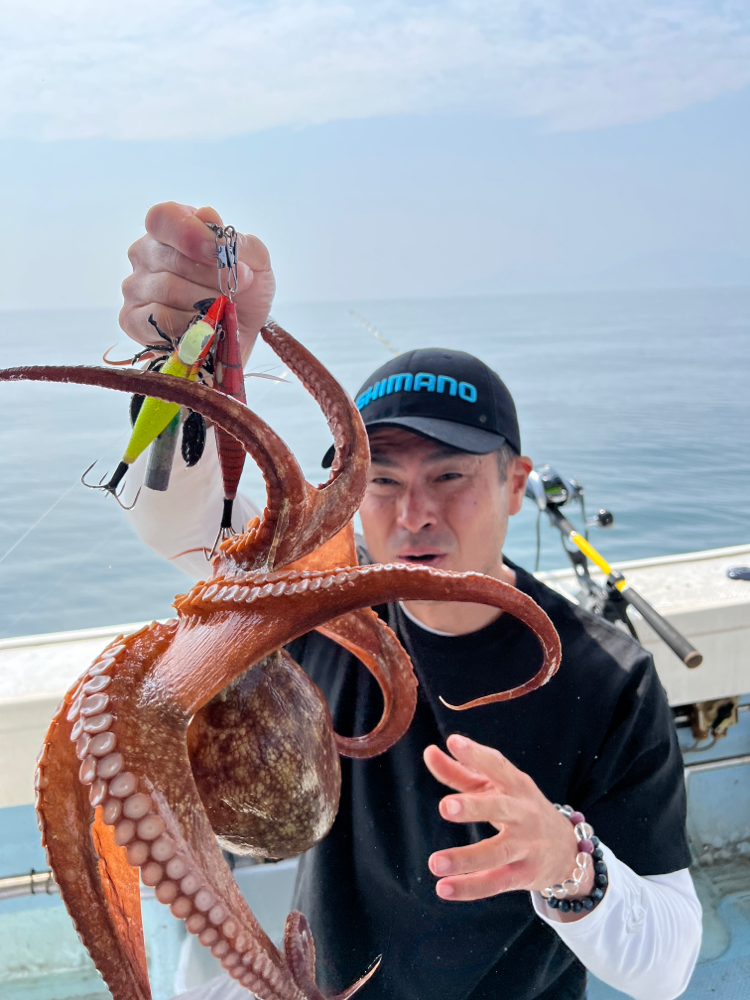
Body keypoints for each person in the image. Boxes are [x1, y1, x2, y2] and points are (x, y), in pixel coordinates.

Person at [119, 203, 702, 1000]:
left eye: (450, 476)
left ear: (518, 485)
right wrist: (187, 364)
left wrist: (570, 863)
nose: (413, 512)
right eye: (381, 481)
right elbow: (185, 526)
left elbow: (669, 966)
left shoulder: (609, 680)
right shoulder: (311, 615)